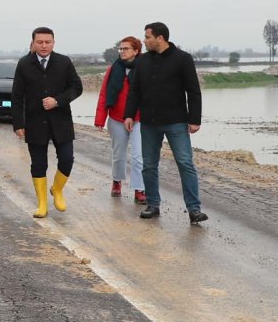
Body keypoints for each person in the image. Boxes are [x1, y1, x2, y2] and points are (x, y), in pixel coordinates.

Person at [125, 22, 208, 223]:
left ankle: (194, 209)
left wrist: (194, 120)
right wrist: (129, 114)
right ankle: (153, 204)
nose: (144, 41)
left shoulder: (183, 59)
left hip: (176, 121)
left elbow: (193, 91)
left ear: (160, 38)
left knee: (185, 163)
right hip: (149, 122)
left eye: (147, 37)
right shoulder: (142, 61)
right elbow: (135, 90)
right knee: (149, 165)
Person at [12, 26, 82, 218]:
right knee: (38, 163)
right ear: (33, 43)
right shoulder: (24, 64)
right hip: (34, 121)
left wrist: (58, 100)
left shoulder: (64, 62)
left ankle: (57, 190)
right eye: (40, 42)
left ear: (53, 42)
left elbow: (77, 87)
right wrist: (18, 123)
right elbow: (17, 96)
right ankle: (42, 203)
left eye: (47, 42)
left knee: (67, 158)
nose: (44, 46)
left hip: (61, 120)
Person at [94, 37, 146, 205]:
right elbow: (104, 93)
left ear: (136, 51)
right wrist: (100, 119)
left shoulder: (145, 67)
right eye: (121, 49)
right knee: (119, 155)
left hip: (140, 118)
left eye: (126, 49)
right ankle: (117, 180)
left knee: (139, 156)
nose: (122, 51)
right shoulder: (113, 69)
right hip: (117, 117)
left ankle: (139, 188)